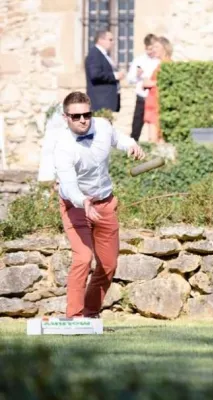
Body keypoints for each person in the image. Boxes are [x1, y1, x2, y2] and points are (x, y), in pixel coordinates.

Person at [54, 91, 145, 318]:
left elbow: (118, 139)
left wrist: (131, 145)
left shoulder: (102, 126)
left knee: (108, 264)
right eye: (76, 116)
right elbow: (68, 185)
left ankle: (90, 314)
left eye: (87, 114)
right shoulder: (64, 147)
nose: (83, 119)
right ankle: (74, 318)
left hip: (105, 204)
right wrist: (82, 200)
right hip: (76, 206)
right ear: (66, 118)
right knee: (83, 259)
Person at [126, 33, 160, 142]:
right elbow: (129, 79)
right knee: (136, 127)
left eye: (152, 48)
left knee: (155, 127)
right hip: (142, 97)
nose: (150, 51)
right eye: (147, 49)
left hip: (155, 98)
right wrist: (137, 75)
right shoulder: (139, 60)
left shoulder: (159, 61)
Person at [85, 30, 124, 112]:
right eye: (110, 40)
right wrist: (115, 76)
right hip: (100, 101)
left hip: (107, 101)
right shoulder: (95, 54)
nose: (112, 42)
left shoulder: (104, 54)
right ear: (100, 40)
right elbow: (95, 75)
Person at [143, 36, 173, 143]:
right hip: (152, 105)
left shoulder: (167, 64)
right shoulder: (159, 64)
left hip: (157, 106)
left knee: (155, 139)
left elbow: (166, 82)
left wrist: (150, 83)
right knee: (153, 138)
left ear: (164, 48)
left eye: (156, 47)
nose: (153, 49)